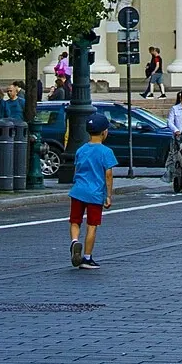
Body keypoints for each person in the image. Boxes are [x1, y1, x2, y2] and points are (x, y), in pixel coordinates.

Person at [69, 113, 117, 268]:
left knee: (75, 221)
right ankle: (87, 258)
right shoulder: (106, 152)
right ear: (104, 132)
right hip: (95, 193)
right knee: (92, 225)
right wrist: (108, 195)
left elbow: (76, 169)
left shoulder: (81, 149)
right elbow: (108, 175)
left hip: (78, 191)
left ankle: (75, 242)